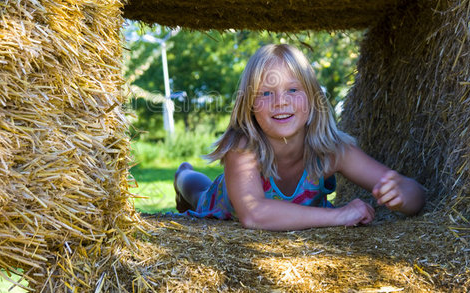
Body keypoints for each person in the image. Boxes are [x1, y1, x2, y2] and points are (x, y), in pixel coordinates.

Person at [174, 44, 425, 230]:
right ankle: (181, 175)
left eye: (293, 90)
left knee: (198, 191)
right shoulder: (241, 146)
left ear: (314, 98)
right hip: (224, 200)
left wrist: (403, 194)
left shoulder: (331, 150)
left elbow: (416, 195)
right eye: (266, 93)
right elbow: (254, 214)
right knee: (198, 193)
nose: (281, 102)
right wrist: (339, 216)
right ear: (249, 103)